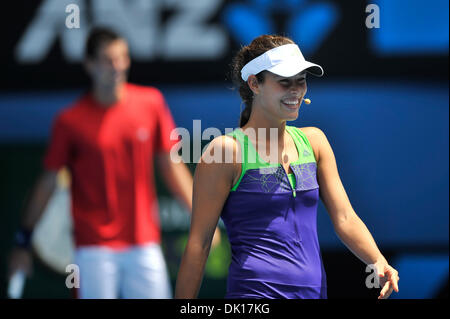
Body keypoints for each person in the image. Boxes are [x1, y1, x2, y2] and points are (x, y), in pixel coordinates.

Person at [175, 34, 399, 299]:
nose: (296, 91)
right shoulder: (226, 151)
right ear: (254, 84)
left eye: (301, 81)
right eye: (284, 83)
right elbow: (199, 244)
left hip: (314, 293)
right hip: (253, 295)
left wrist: (377, 259)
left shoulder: (315, 141)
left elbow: (345, 218)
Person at [8, 27, 219, 299]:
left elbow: (171, 165)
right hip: (92, 249)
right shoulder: (69, 121)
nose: (118, 66)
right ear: (90, 65)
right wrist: (23, 241)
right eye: (108, 60)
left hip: (144, 243)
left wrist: (203, 221)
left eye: (123, 58)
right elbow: (48, 182)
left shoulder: (151, 103)